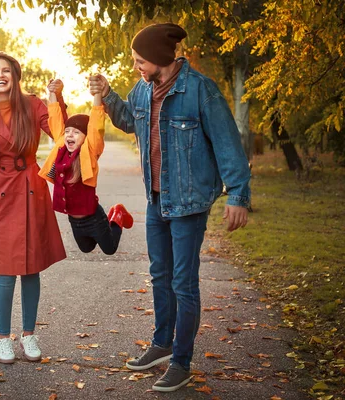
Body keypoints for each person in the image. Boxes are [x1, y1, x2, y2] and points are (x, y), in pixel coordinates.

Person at [89, 23, 251, 392]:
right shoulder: (143, 90)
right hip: (156, 199)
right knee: (160, 276)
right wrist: (108, 94)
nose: (135, 66)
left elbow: (228, 143)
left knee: (182, 283)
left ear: (160, 60)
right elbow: (130, 119)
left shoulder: (199, 90)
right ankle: (162, 344)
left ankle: (181, 361)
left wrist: (238, 195)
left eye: (140, 60)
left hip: (190, 202)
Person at [0, 51, 67, 364]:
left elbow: (59, 132)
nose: (0, 75)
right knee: (5, 271)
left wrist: (56, 98)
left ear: (14, 76)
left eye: (6, 70)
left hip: (30, 189)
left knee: (32, 267)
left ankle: (29, 335)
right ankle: (2, 338)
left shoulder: (33, 104)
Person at [38, 80, 134, 255]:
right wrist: (52, 93)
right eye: (67, 132)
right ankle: (102, 227)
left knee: (109, 249)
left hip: (93, 218)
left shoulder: (89, 151)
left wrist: (98, 95)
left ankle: (117, 214)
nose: (70, 135)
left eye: (76, 132)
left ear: (85, 137)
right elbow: (55, 119)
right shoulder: (61, 147)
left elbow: (96, 125)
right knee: (86, 248)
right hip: (74, 220)